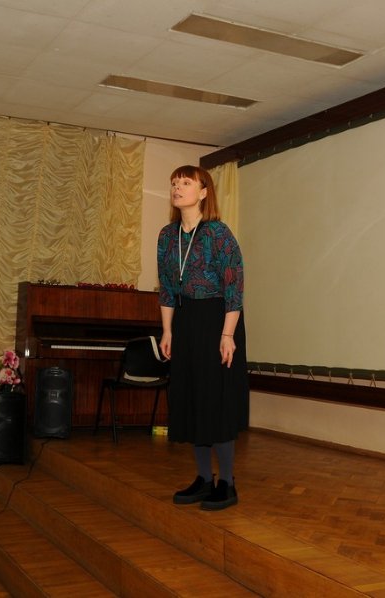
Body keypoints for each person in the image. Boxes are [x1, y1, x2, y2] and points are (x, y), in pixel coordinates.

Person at [156, 164, 249, 511]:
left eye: (185, 182)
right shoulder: (168, 236)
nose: (177, 188)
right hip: (184, 319)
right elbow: (166, 288)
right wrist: (167, 330)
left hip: (217, 319)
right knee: (192, 397)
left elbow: (234, 286)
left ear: (204, 192)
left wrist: (228, 334)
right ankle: (202, 478)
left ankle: (227, 483)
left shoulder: (218, 233)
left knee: (215, 399)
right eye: (174, 183)